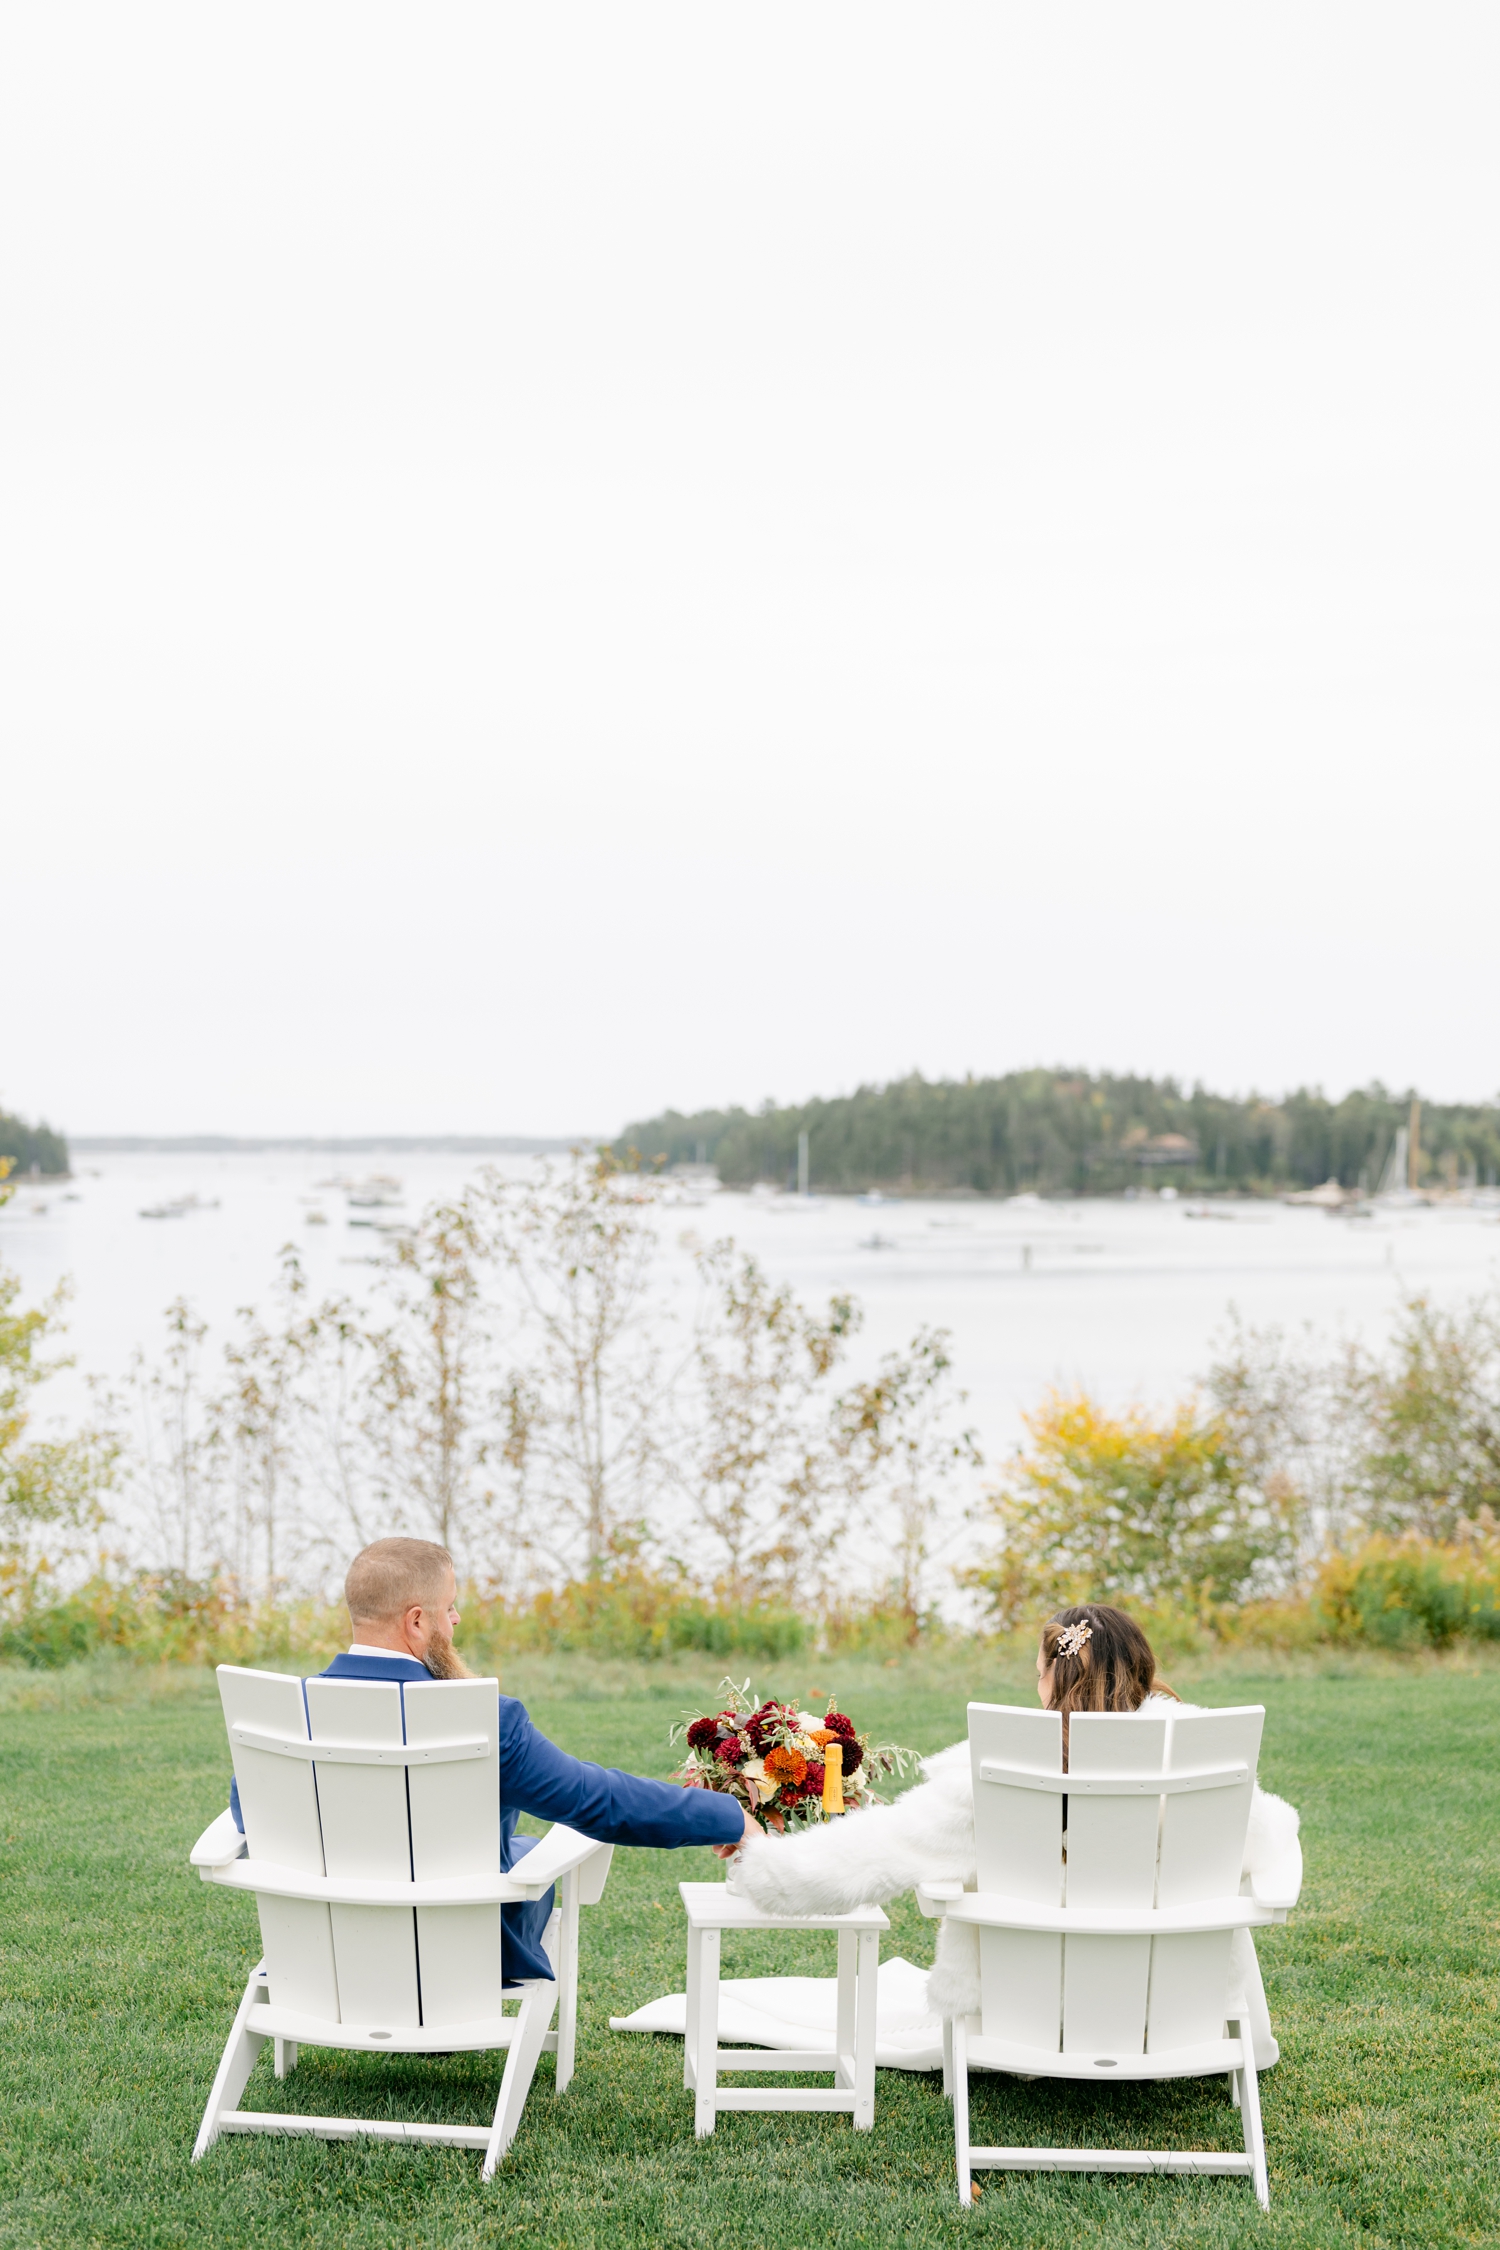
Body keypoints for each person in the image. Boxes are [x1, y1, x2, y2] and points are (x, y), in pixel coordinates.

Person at [730, 1601, 1301, 2068]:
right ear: (1142, 1667)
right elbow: (1271, 1844)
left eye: (1038, 1671)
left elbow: (873, 1853)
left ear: (1055, 1674)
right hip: (1176, 2014)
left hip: (1028, 2015)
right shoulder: (1201, 1767)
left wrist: (761, 1861)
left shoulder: (992, 1773)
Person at [226, 1537, 753, 1985]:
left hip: (322, 1963)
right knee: (528, 1852)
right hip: (461, 1963)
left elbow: (251, 1816)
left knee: (517, 1846)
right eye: (449, 1608)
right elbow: (600, 1802)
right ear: (416, 1621)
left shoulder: (285, 1720)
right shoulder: (488, 1721)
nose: (455, 1621)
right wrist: (730, 1815)